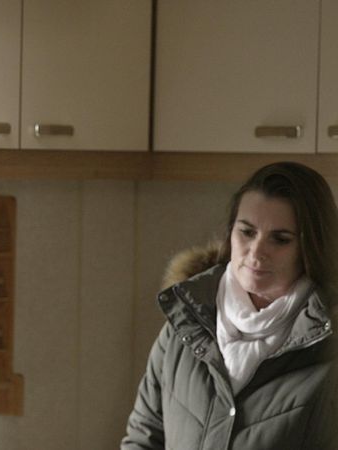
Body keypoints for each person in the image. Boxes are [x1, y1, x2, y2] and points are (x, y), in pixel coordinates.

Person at [122, 161, 338, 449]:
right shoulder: (184, 323)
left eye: (280, 239)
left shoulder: (329, 346)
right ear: (230, 233)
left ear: (311, 247)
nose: (256, 252)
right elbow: (143, 439)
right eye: (247, 232)